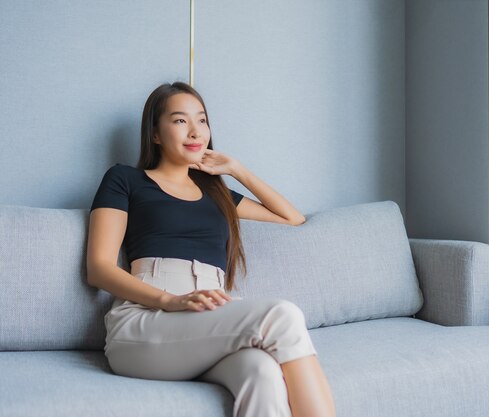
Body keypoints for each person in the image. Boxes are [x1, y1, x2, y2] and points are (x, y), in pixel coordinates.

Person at [86, 81, 337, 417]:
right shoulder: (125, 180)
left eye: (202, 120)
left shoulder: (218, 195)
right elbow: (99, 267)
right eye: (179, 121)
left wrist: (236, 170)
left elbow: (293, 219)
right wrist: (170, 301)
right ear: (156, 134)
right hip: (145, 323)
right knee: (282, 315)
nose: (195, 131)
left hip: (207, 319)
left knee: (262, 371)